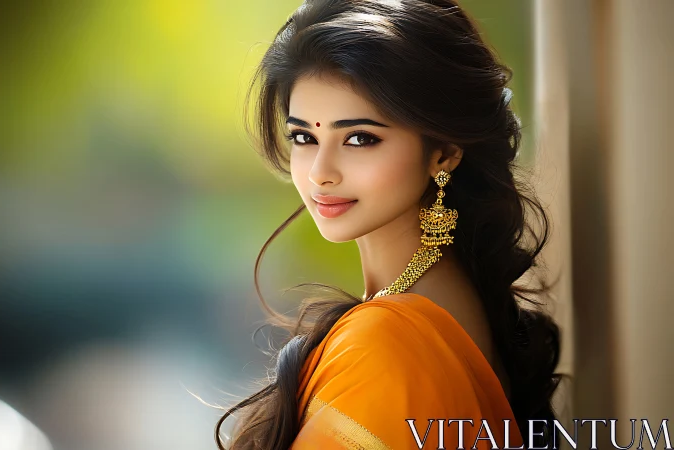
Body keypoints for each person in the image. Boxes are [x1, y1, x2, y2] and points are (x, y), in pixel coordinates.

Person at [215, 0, 563, 448]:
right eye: (304, 137)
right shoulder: (459, 304)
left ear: (444, 152)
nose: (321, 171)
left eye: (360, 138)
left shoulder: (386, 341)